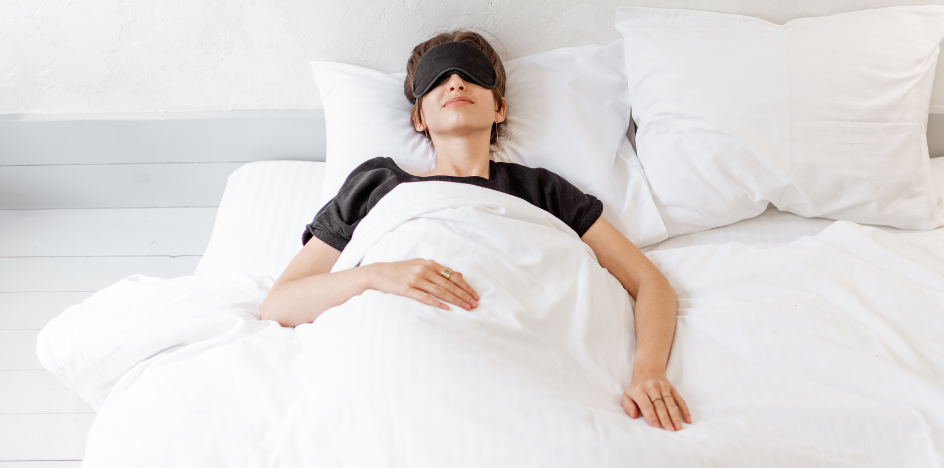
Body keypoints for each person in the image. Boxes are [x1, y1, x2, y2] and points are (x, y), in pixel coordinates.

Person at [260, 30, 692, 432]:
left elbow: (650, 281)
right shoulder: (377, 185)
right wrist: (377, 274)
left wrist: (648, 371)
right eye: (439, 79)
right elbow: (280, 303)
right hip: (400, 348)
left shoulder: (541, 189)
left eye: (471, 75)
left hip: (526, 355)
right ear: (418, 117)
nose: (455, 84)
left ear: (499, 107)